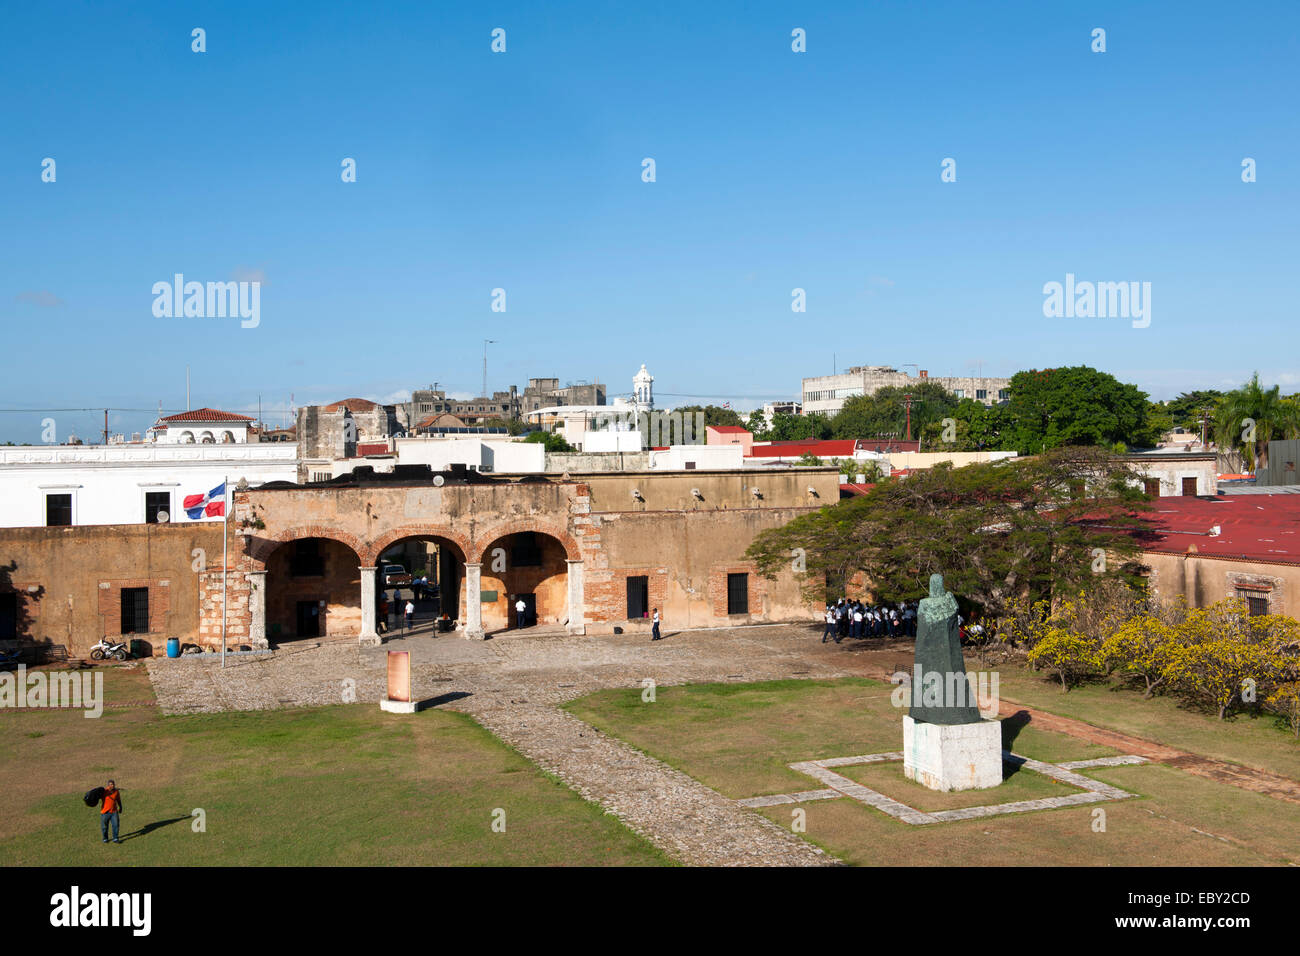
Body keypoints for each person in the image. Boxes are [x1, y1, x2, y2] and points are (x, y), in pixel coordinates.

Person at [100, 780, 122, 844]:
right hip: (105, 812)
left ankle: (115, 838)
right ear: (108, 785)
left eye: (113, 784)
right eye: (110, 784)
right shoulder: (104, 792)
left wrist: (121, 807)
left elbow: (118, 800)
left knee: (116, 825)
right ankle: (105, 838)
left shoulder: (116, 792)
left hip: (114, 812)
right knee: (104, 827)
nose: (112, 786)